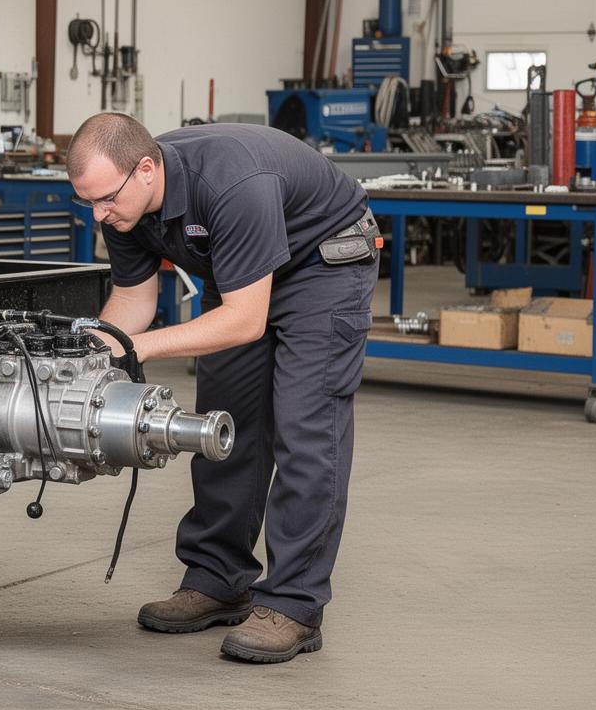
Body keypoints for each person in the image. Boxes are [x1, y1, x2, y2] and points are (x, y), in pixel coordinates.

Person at [66, 113, 378, 664]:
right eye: (87, 202)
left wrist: (136, 350)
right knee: (222, 427)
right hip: (242, 275)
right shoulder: (125, 208)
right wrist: (88, 350)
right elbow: (134, 302)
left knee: (307, 429)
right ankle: (217, 578)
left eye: (105, 199)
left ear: (145, 169)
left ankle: (294, 605)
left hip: (324, 264)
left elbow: (244, 321)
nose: (99, 214)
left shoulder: (232, 182)